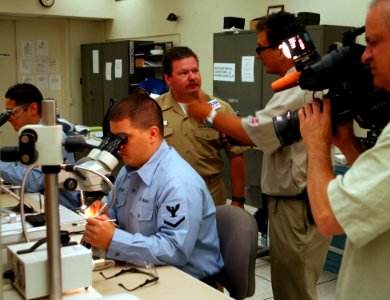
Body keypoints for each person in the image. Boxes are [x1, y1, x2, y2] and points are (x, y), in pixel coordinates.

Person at [188, 12, 331, 300]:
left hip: (297, 209)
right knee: (288, 285)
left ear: (282, 48)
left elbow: (254, 131)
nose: (257, 56)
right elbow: (267, 132)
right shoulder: (293, 87)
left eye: (260, 48)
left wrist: (209, 114)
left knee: (295, 290)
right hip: (292, 205)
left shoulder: (302, 88)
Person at [297, 0, 390, 299]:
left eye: (374, 43)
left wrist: (315, 142)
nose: (366, 55)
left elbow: (329, 218)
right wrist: (348, 144)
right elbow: (389, 193)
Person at [84, 92, 224, 283]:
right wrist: (103, 215)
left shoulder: (177, 183)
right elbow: (113, 209)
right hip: (144, 268)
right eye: (113, 139)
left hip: (187, 281)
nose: (118, 148)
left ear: (152, 134)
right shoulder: (129, 170)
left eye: (123, 139)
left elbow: (175, 251)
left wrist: (113, 239)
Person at [156, 46, 248, 208]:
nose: (192, 77)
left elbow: (236, 156)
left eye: (195, 71)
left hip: (210, 193)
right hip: (166, 192)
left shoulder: (220, 110)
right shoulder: (153, 110)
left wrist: (238, 200)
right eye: (183, 73)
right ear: (167, 78)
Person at [0, 83, 80, 210]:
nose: (9, 119)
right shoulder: (30, 132)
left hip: (62, 209)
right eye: (6, 113)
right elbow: (22, 167)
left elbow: (34, 181)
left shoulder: (52, 136)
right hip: (39, 202)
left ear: (32, 108)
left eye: (13, 112)